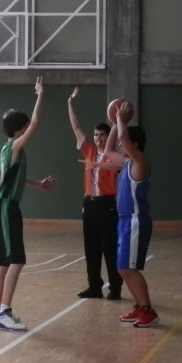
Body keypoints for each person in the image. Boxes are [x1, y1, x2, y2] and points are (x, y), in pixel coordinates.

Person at [80, 101, 157, 328]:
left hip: (135, 221)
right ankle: (139, 305)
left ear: (135, 145)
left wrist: (121, 120)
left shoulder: (140, 162)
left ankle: (148, 310)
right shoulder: (126, 163)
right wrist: (114, 123)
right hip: (123, 222)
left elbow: (122, 140)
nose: (122, 147)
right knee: (122, 267)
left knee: (129, 268)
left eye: (126, 144)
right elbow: (107, 151)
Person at [0, 77, 56, 331]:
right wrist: (40, 94)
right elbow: (36, 122)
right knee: (16, 260)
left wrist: (38, 184)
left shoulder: (9, 149)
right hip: (7, 206)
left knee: (4, 262)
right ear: (19, 130)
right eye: (25, 126)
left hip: (4, 204)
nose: (29, 128)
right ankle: (4, 312)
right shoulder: (15, 146)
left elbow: (11, 179)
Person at [68, 87, 122, 300]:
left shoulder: (114, 156)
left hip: (107, 204)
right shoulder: (88, 149)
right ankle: (94, 286)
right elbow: (76, 127)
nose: (98, 138)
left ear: (108, 137)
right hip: (89, 204)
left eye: (102, 135)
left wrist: (117, 122)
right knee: (91, 248)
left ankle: (115, 287)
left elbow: (116, 168)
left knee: (109, 247)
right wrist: (70, 104)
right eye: (96, 135)